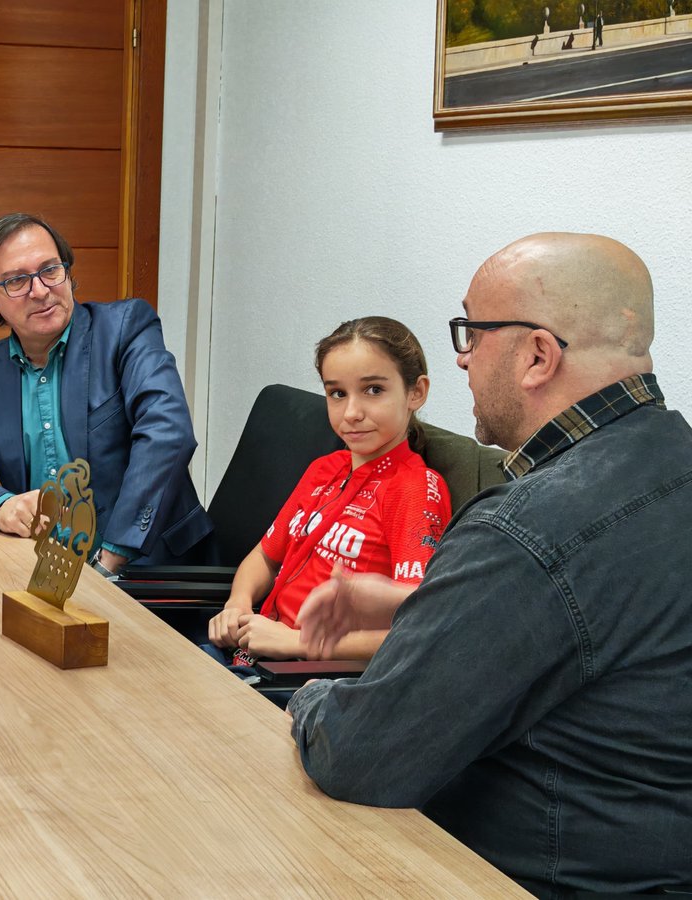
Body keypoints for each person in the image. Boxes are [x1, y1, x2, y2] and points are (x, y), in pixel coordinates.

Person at [290, 234, 692, 896]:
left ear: (537, 355)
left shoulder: (529, 529)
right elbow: (607, 624)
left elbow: (361, 755)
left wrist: (307, 698)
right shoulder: (670, 462)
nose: (461, 357)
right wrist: (418, 602)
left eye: (471, 333)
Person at [0, 212, 211, 574]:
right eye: (18, 280)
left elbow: (168, 433)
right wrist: (1, 507)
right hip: (45, 571)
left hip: (151, 572)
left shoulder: (125, 329)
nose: (40, 290)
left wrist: (109, 560)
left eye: (50, 270)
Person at [206, 317, 451, 666]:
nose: (351, 413)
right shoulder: (325, 468)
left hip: (304, 677)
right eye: (337, 393)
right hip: (252, 649)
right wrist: (237, 605)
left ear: (416, 392)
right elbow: (264, 556)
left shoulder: (415, 489)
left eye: (373, 390)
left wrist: (298, 642)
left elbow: (417, 627)